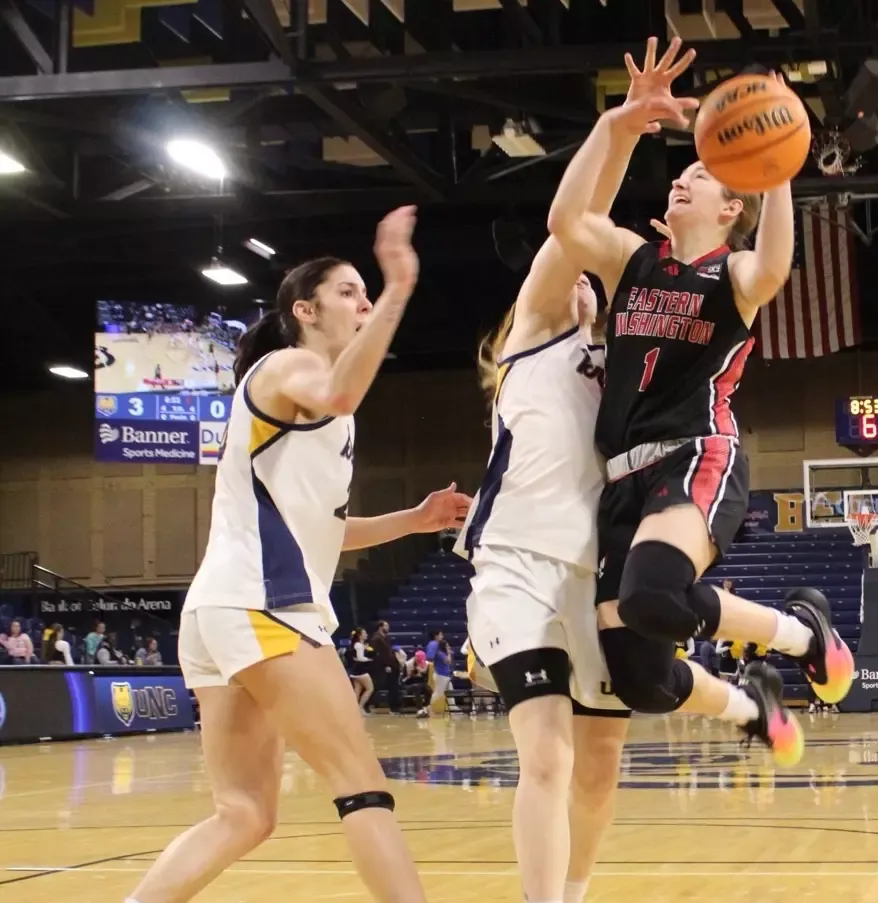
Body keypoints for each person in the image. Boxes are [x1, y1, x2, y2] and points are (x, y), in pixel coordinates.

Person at [124, 209, 473, 903]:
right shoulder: (293, 366)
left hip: (222, 610)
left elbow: (324, 532)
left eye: (366, 293)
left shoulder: (317, 407)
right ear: (304, 311)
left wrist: (414, 519)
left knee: (244, 813)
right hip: (262, 608)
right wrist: (399, 286)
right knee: (361, 785)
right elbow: (343, 389)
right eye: (349, 291)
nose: (363, 302)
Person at [545, 36, 853, 763]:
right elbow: (566, 221)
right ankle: (753, 701)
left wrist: (777, 170)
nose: (682, 182)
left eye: (701, 176)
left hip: (693, 454)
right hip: (619, 479)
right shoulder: (633, 260)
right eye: (681, 174)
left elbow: (775, 264)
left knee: (653, 597)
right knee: (640, 680)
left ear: (730, 206)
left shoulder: (733, 274)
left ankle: (805, 634)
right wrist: (618, 125)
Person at [456, 88, 660, 901]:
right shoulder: (534, 333)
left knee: (599, 768)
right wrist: (618, 129)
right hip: (517, 561)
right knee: (546, 753)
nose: (581, 280)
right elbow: (574, 223)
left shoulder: (626, 368)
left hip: (598, 575)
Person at [345, 627, 375, 713]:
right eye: (364, 633)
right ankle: (360, 707)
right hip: (360, 670)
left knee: (357, 689)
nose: (366, 635)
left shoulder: (359, 645)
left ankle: (353, 709)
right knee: (370, 688)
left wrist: (364, 649)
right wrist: (369, 659)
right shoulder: (358, 645)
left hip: (356, 670)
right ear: (360, 635)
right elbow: (360, 658)